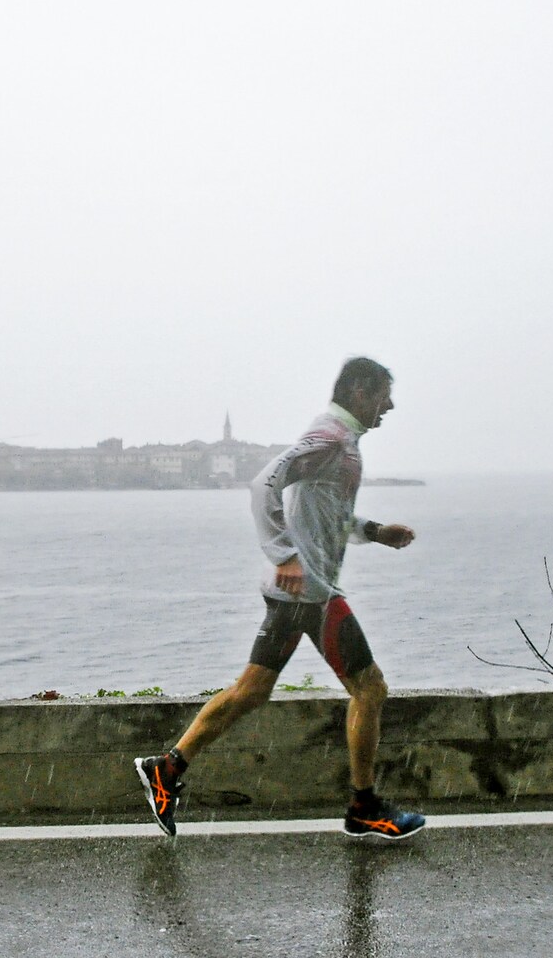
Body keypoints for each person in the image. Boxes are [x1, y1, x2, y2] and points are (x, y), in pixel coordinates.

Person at [135, 356, 425, 841]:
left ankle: (167, 768)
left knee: (251, 691)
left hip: (300, 595)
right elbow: (262, 483)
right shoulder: (330, 438)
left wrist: (374, 530)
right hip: (309, 592)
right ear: (359, 392)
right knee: (370, 688)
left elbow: (328, 511)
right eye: (383, 396)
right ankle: (364, 806)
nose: (389, 406)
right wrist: (284, 554)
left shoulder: (340, 440)